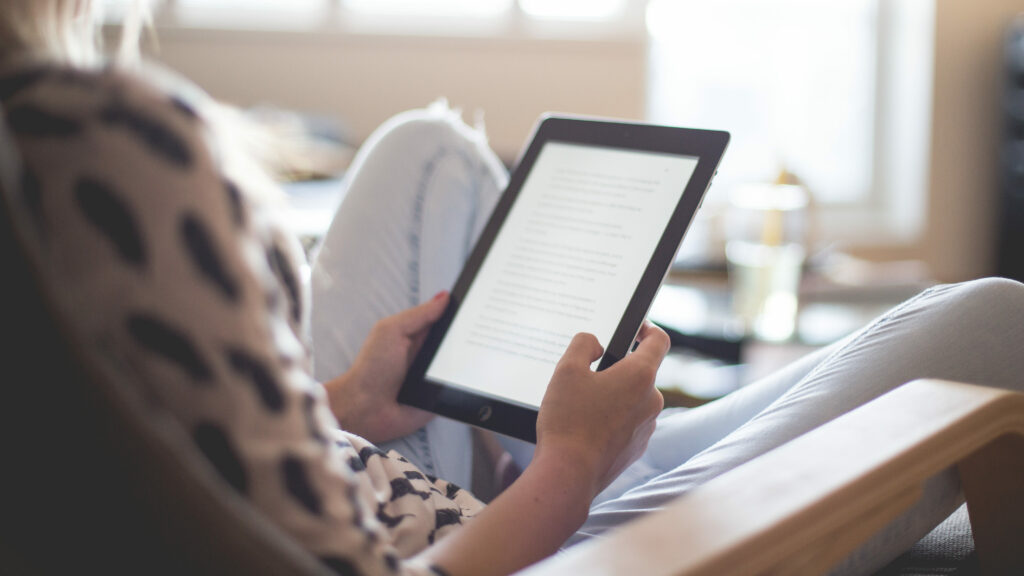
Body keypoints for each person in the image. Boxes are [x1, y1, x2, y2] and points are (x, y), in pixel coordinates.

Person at [1, 1, 1022, 575]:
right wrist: (565, 474)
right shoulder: (93, 144)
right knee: (993, 320)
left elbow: (180, 452)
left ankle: (550, 435)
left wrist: (351, 402)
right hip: (514, 551)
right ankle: (581, 453)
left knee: (430, 150)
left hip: (382, 469)